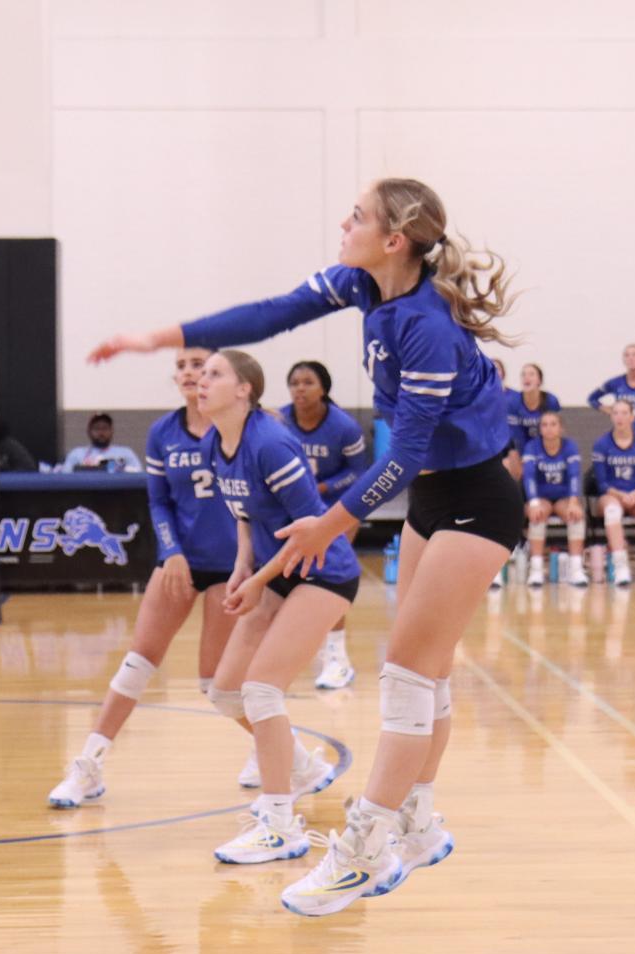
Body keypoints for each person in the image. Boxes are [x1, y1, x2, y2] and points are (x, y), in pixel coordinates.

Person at [90, 176, 523, 916]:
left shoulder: (425, 327)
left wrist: (331, 523)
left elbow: (405, 453)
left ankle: (363, 846)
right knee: (429, 672)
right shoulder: (363, 284)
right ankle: (417, 823)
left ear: (394, 240)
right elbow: (269, 314)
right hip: (436, 496)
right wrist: (161, 337)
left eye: (357, 216)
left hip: (479, 499)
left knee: (405, 676)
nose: (343, 222)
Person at [48, 347, 249, 808]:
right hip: (180, 561)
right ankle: (89, 766)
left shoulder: (245, 428)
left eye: (198, 364)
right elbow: (158, 502)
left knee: (216, 684)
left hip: (233, 566)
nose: (189, 373)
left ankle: (279, 750)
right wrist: (171, 550)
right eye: (181, 366)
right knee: (137, 663)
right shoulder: (162, 432)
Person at [201, 350, 353, 864]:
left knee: (262, 690)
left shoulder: (272, 443)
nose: (202, 381)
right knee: (226, 693)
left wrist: (258, 580)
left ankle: (281, 826)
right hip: (275, 571)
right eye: (201, 374)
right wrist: (243, 567)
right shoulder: (214, 446)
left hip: (322, 570)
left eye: (215, 373)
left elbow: (312, 531)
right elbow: (243, 514)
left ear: (245, 389)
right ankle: (303, 766)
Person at [281, 360, 366, 690]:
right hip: (295, 511)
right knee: (293, 579)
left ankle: (337, 659)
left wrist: (323, 487)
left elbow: (359, 473)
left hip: (338, 509)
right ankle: (309, 648)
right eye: (294, 382)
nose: (300, 388)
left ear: (324, 389)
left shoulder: (344, 427)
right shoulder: (280, 420)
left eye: (308, 382)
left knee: (329, 572)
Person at [592, 399, 635, 586]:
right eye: (615, 413)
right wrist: (621, 495)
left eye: (624, 413)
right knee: (612, 511)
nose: (619, 417)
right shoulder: (601, 444)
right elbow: (602, 483)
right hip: (611, 495)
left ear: (632, 417)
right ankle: (621, 566)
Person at [520, 411, 589, 588]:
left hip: (563, 497)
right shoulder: (532, 447)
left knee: (576, 515)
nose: (549, 429)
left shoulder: (570, 446)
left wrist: (574, 502)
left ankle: (576, 568)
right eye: (544, 425)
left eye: (553, 424)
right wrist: (534, 503)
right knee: (537, 515)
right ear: (540, 429)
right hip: (540, 497)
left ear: (561, 428)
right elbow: (529, 477)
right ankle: (535, 569)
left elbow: (575, 475)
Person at [504, 362, 560, 472]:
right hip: (520, 447)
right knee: (511, 459)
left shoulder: (551, 401)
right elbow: (516, 436)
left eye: (531, 374)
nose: (526, 377)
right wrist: (526, 457)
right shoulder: (513, 402)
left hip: (546, 445)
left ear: (539, 380)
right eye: (523, 374)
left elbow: (556, 430)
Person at [63, 412, 142, 471]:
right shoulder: (77, 454)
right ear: (89, 431)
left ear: (112, 431)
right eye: (97, 428)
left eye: (105, 428)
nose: (101, 433)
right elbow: (65, 478)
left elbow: (139, 475)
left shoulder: (126, 453)